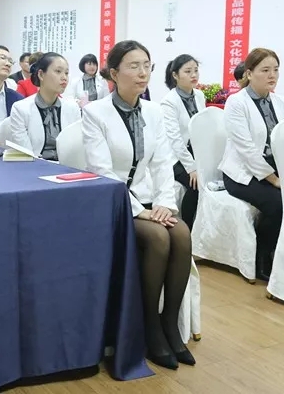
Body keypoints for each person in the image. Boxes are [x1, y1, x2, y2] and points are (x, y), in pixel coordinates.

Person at [83, 40, 194, 370]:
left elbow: (162, 164)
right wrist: (140, 211)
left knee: (181, 234)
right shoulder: (95, 113)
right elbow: (102, 171)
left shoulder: (154, 112)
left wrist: (164, 204)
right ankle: (149, 327)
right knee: (159, 237)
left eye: (147, 65)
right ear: (114, 73)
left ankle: (169, 323)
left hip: (149, 199)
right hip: (114, 202)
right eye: (134, 66)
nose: (142, 72)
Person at [219, 48, 284, 281]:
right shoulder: (236, 102)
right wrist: (274, 179)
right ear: (249, 74)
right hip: (242, 173)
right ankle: (262, 256)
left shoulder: (280, 102)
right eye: (265, 70)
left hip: (274, 168)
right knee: (278, 204)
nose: (272, 75)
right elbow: (246, 150)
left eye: (276, 70)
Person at [160, 54, 205, 230]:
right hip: (175, 157)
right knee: (196, 185)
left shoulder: (199, 95)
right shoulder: (169, 102)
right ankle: (188, 229)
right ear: (175, 75)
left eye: (196, 70)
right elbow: (175, 140)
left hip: (197, 152)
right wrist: (191, 168)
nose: (194, 75)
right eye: (188, 71)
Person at [9, 53, 81, 160]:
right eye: (58, 71)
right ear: (41, 75)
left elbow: (77, 148)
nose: (64, 77)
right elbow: (26, 154)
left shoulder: (72, 108)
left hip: (67, 166)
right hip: (35, 166)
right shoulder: (20, 109)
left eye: (66, 73)